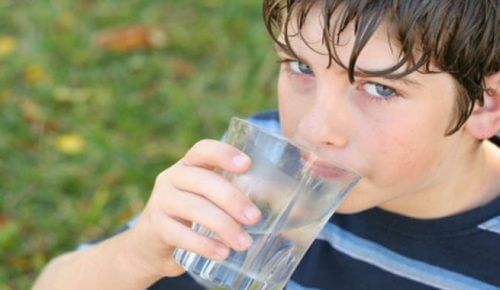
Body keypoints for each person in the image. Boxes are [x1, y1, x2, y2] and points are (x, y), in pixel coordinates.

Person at [34, 0, 499, 289]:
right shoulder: (258, 169)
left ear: (485, 105)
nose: (316, 129)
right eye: (299, 67)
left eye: (379, 89)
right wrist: (135, 252)